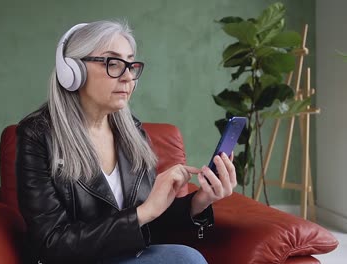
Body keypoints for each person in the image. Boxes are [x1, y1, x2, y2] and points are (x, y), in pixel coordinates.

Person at [16, 20, 237, 264]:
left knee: (186, 257)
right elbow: (52, 243)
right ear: (73, 71)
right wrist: (141, 213)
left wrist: (200, 201)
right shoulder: (37, 135)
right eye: (113, 63)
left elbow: (147, 223)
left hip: (128, 257)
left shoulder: (132, 132)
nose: (128, 77)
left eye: (131, 65)